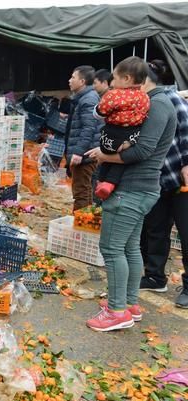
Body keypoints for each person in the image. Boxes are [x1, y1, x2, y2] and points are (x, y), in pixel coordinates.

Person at [85, 57, 177, 332]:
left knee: (111, 249)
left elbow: (141, 151)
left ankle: (116, 312)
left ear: (132, 80)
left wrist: (105, 155)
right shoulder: (152, 103)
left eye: (117, 80)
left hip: (132, 189)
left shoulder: (158, 105)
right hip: (137, 189)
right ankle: (129, 303)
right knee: (129, 247)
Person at [139, 59, 188, 309]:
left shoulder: (172, 99)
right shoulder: (141, 105)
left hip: (180, 179)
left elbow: (187, 132)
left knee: (186, 232)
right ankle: (155, 277)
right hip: (156, 179)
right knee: (155, 230)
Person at [94, 57, 151, 200]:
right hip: (132, 135)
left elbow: (101, 111)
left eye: (114, 78)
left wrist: (98, 111)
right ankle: (109, 184)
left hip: (113, 132)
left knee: (108, 157)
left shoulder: (113, 94)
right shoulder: (145, 97)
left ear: (126, 78)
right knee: (120, 161)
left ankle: (101, 181)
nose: (112, 83)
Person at [65, 65, 103, 211]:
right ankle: (85, 219)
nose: (69, 80)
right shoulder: (84, 98)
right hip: (86, 152)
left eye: (73, 77)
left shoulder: (89, 100)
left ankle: (80, 224)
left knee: (81, 190)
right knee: (84, 189)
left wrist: (79, 152)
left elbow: (89, 128)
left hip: (85, 154)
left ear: (82, 81)